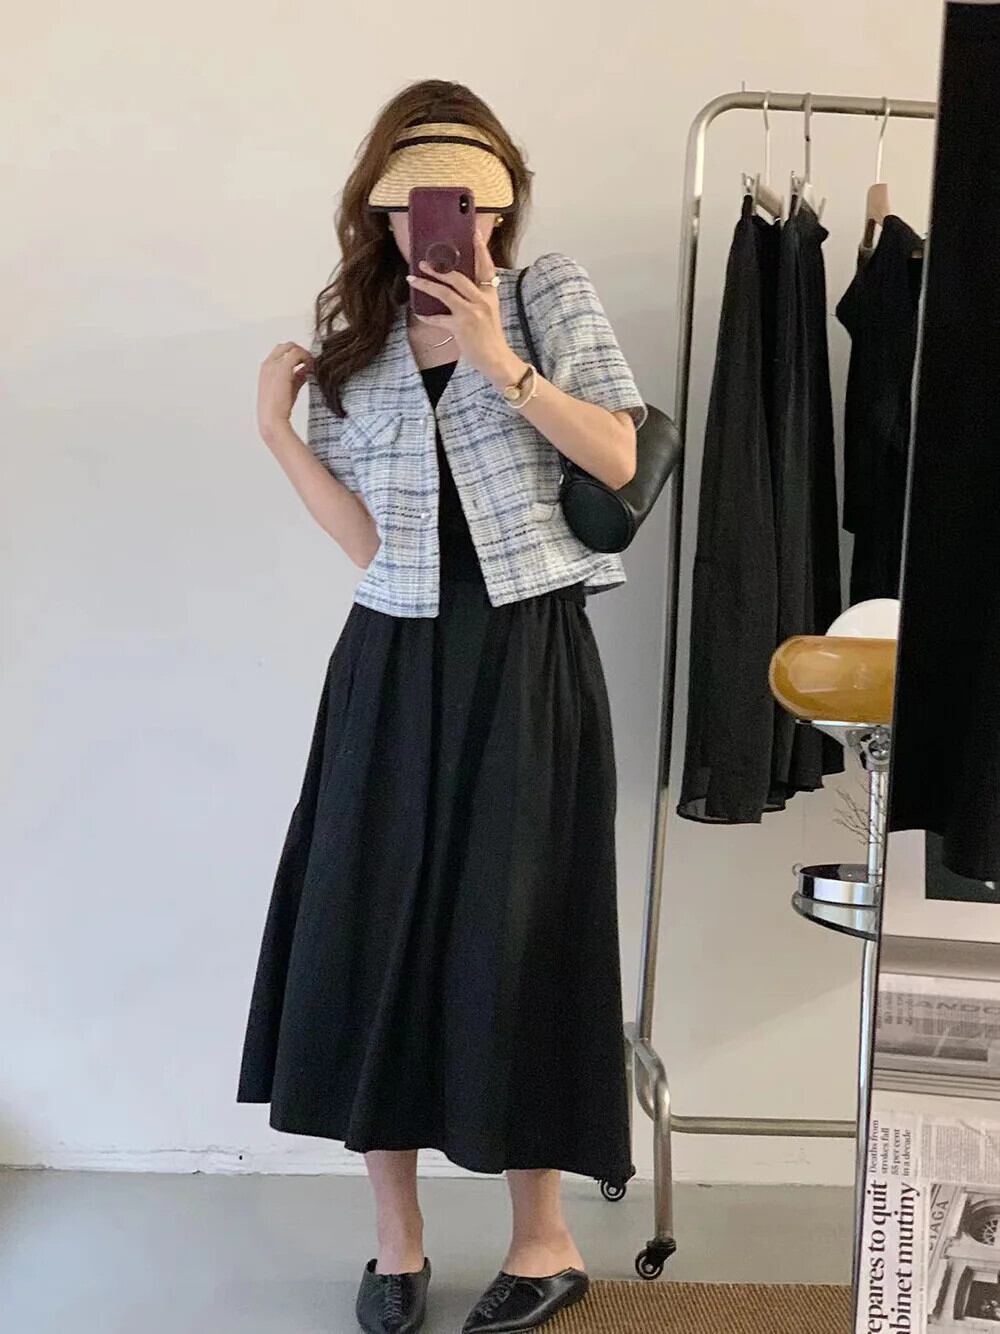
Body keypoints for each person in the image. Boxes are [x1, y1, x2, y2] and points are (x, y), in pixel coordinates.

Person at [237, 78, 647, 1334]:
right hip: (390, 657)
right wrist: (279, 434)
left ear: (499, 203)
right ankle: (397, 1244)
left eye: (468, 198)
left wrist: (500, 363)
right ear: (380, 207)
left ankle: (544, 1240)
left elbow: (621, 457)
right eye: (418, 198)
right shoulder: (355, 338)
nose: (443, 220)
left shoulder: (545, 292)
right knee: (369, 926)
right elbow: (372, 544)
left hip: (526, 651)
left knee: (521, 930)